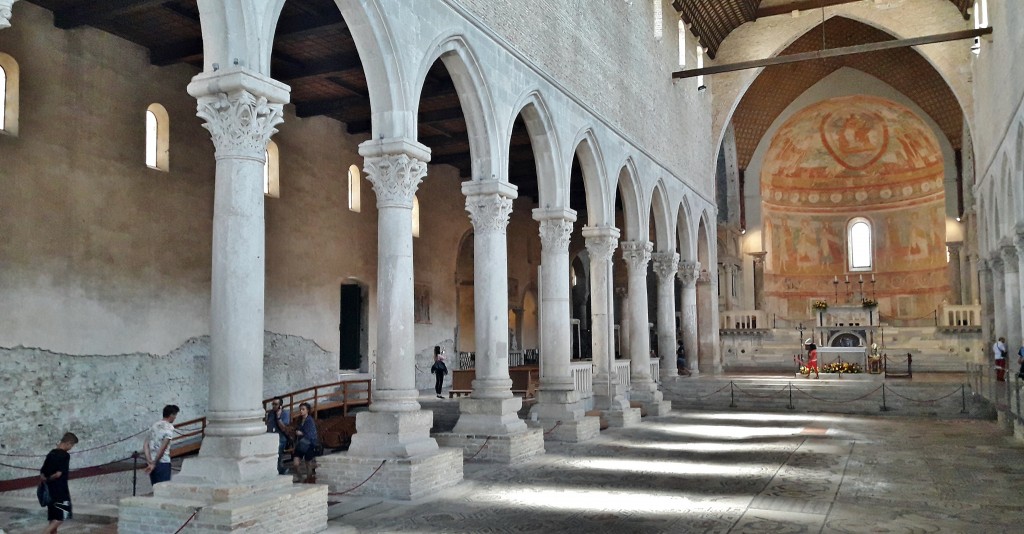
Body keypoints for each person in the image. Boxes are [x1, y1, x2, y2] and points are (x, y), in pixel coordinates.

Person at [40, 432, 78, 534]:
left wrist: (47, 480)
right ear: (68, 443)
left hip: (50, 490)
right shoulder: (65, 456)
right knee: (61, 517)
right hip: (60, 490)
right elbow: (58, 474)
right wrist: (51, 478)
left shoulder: (51, 453)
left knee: (53, 517)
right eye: (72, 445)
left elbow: (42, 473)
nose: (71, 448)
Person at [143, 404, 179, 486]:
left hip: (151, 461)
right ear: (171, 415)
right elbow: (163, 447)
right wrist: (154, 462)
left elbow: (145, 444)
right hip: (163, 462)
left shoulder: (154, 425)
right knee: (163, 488)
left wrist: (149, 460)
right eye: (175, 415)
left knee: (155, 487)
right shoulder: (169, 427)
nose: (175, 418)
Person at [291, 402, 319, 483]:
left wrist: (302, 433)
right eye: (300, 409)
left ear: (307, 410)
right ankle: (301, 478)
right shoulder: (299, 420)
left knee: (308, 463)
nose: (301, 411)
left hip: (309, 444)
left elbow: (312, 434)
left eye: (303, 409)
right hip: (300, 444)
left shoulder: (310, 421)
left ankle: (309, 480)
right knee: (295, 463)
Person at [266, 397, 290, 475]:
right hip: (270, 437)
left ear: (280, 406)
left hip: (280, 438)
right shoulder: (271, 413)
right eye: (272, 404)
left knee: (278, 455)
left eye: (275, 404)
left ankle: (281, 470)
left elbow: (284, 428)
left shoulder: (284, 413)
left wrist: (278, 417)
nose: (273, 406)